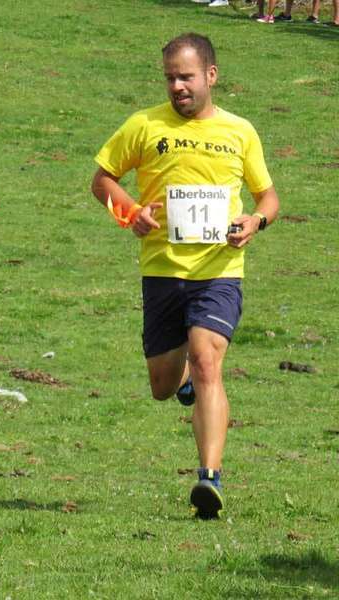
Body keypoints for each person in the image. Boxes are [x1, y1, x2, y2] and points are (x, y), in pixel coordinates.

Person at [91, 33, 279, 519]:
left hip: (219, 272)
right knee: (161, 384)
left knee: (208, 359)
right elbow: (102, 179)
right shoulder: (143, 125)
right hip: (162, 272)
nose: (177, 85)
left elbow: (268, 198)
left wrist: (256, 221)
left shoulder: (240, 131)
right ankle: (183, 386)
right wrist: (130, 212)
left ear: (211, 76)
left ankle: (208, 480)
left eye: (186, 76)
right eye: (170, 77)